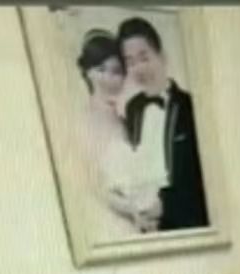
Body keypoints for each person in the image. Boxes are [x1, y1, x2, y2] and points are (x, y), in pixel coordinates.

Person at [117, 16, 210, 231]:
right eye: (130, 62)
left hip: (186, 226)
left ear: (162, 56)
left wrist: (165, 206)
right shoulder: (133, 109)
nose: (139, 69)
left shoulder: (191, 106)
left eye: (144, 58)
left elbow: (203, 181)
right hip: (145, 226)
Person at [74, 30, 164, 237]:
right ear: (87, 73)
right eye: (101, 70)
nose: (109, 79)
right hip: (110, 221)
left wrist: (149, 206)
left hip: (142, 219)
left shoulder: (127, 118)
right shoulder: (85, 121)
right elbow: (92, 185)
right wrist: (131, 210)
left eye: (116, 71)